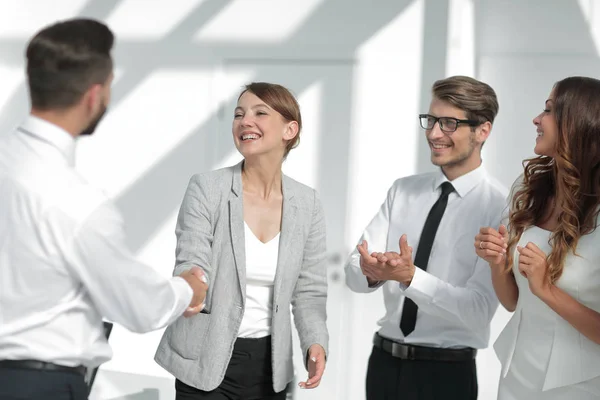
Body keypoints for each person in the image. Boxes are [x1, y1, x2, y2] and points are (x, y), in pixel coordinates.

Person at [0, 18, 208, 400]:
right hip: (38, 385)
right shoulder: (76, 203)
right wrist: (188, 289)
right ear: (94, 96)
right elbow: (138, 306)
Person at [155, 82, 329, 400]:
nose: (244, 121)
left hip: (270, 366)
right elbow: (191, 255)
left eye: (260, 113)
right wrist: (191, 283)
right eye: (239, 114)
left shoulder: (308, 203)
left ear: (290, 129)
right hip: (206, 359)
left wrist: (314, 341)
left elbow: (310, 291)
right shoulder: (207, 188)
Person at [345, 75, 507, 400]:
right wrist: (372, 270)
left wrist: (410, 278)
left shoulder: (501, 206)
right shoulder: (403, 190)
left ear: (483, 131)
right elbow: (353, 269)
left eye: (449, 123)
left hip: (446, 376)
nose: (433, 134)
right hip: (383, 366)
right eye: (431, 120)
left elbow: (478, 310)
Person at [476, 76, 600, 399]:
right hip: (516, 379)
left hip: (577, 387)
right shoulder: (528, 188)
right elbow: (513, 301)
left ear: (578, 124)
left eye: (548, 110)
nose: (537, 119)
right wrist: (497, 262)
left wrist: (547, 290)